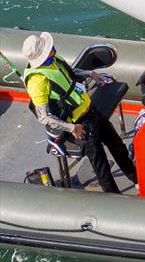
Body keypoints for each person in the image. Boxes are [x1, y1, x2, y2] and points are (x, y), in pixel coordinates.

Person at [22, 31, 137, 194]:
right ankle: (114, 199)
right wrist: (71, 128)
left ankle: (136, 178)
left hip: (91, 111)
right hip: (78, 126)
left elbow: (71, 73)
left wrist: (91, 74)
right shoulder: (37, 81)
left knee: (117, 145)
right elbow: (44, 117)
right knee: (101, 165)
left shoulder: (55, 60)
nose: (53, 50)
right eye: (50, 50)